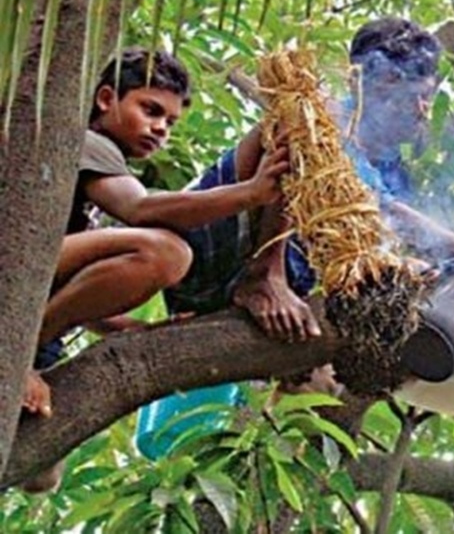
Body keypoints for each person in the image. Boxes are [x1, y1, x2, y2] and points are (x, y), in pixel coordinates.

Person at [163, 17, 454, 342]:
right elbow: (380, 208)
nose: (417, 109)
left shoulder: (395, 167)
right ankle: (265, 276)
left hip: (278, 290)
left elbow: (386, 230)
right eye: (399, 93)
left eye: (425, 96)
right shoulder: (330, 119)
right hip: (213, 257)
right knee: (294, 122)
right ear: (359, 84)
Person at [19, 47, 292, 491]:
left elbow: (72, 285)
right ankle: (19, 353)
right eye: (150, 110)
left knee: (43, 476)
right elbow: (140, 207)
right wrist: (251, 194)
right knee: (167, 254)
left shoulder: (89, 172)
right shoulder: (85, 140)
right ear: (106, 98)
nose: (160, 128)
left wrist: (129, 328)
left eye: (170, 122)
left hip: (30, 293)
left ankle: (28, 352)